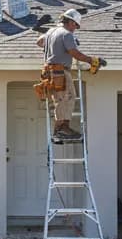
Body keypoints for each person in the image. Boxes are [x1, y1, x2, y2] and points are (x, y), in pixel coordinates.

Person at [35, 9, 97, 140]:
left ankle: (61, 128)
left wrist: (54, 46)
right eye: (75, 25)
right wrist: (91, 60)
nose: (75, 28)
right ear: (69, 21)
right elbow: (75, 53)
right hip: (60, 71)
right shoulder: (66, 34)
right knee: (66, 97)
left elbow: (39, 41)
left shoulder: (51, 32)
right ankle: (61, 129)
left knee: (62, 98)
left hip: (49, 71)